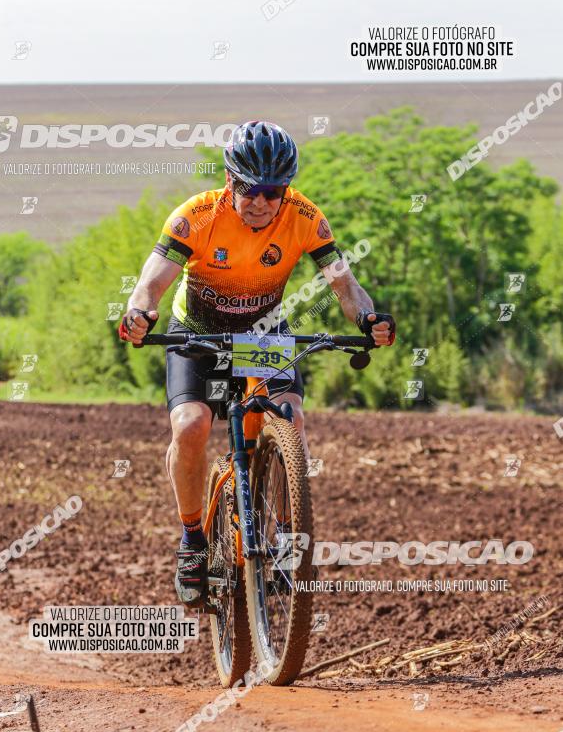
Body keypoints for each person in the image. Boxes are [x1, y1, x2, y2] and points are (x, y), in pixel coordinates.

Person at [119, 120, 395, 608]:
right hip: (197, 330)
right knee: (192, 424)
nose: (261, 202)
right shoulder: (196, 216)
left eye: (273, 191)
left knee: (287, 415)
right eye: (250, 189)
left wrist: (368, 316)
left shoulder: (305, 217)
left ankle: (287, 536)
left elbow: (345, 286)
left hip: (263, 331)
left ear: (285, 190)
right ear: (230, 181)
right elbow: (152, 280)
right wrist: (140, 312)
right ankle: (192, 541)